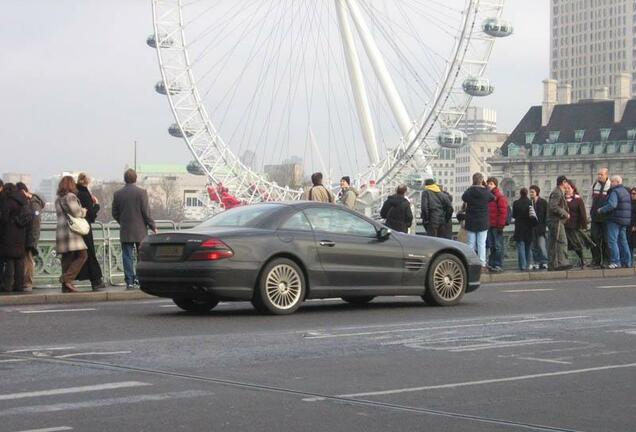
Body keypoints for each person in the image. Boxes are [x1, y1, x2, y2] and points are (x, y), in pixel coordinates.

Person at [112, 169, 156, 290]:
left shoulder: (117, 194)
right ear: (135, 179)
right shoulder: (142, 193)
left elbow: (114, 213)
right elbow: (146, 212)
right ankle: (139, 278)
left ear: (124, 179)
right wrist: (152, 226)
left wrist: (122, 221)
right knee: (140, 255)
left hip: (125, 230)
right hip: (140, 230)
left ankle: (129, 281)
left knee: (127, 256)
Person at [55, 176, 88, 293]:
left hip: (61, 231)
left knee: (67, 258)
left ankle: (66, 286)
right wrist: (84, 210)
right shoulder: (70, 197)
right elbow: (77, 212)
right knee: (83, 255)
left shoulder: (58, 199)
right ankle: (66, 279)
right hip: (71, 232)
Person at [75, 173, 105, 290]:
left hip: (77, 228)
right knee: (90, 254)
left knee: (79, 255)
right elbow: (91, 214)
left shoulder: (76, 193)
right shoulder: (85, 194)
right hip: (85, 227)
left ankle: (68, 280)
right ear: (86, 181)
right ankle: (96, 280)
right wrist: (96, 205)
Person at [0, 183, 31, 292]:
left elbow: (3, 218)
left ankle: (7, 285)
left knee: (9, 260)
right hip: (21, 233)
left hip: (9, 233)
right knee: (19, 261)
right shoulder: (23, 200)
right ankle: (19, 286)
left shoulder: (7, 200)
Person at [597, 175, 633, 269]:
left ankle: (615, 262)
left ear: (617, 182)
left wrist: (602, 209)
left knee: (612, 241)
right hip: (624, 220)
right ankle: (627, 261)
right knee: (623, 241)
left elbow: (612, 204)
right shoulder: (625, 191)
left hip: (614, 219)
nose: (611, 183)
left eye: (612, 182)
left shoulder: (615, 191)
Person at [461, 173, 495, 270]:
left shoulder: (470, 191)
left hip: (471, 220)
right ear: (482, 180)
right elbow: (493, 198)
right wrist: (485, 186)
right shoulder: (486, 192)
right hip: (483, 221)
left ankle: (471, 263)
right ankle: (482, 263)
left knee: (471, 243)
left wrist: (471, 187)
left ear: (473, 180)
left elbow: (464, 197)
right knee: (481, 243)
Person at [16, 183, 46, 292]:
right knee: (27, 259)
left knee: (28, 259)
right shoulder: (33, 202)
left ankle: (27, 283)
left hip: (30, 237)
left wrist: (32, 239)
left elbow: (35, 222)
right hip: (29, 236)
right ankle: (26, 282)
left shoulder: (33, 203)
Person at [564, 182, 592, 268]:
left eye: (569, 188)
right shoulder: (562, 199)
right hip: (564, 226)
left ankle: (583, 260)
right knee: (565, 245)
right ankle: (565, 262)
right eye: (565, 188)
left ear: (573, 188)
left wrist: (584, 226)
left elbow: (582, 213)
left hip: (574, 225)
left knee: (577, 244)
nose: (567, 190)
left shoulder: (578, 199)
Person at [547, 176, 572, 271]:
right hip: (556, 221)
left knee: (554, 242)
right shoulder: (557, 192)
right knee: (561, 241)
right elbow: (553, 206)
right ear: (563, 182)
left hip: (555, 221)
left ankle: (553, 264)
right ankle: (561, 263)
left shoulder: (558, 191)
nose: (568, 185)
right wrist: (565, 214)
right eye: (566, 182)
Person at [590, 168, 611, 268]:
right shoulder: (595, 185)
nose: (599, 176)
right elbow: (591, 200)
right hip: (595, 217)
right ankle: (596, 260)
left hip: (606, 218)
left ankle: (606, 260)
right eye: (598, 174)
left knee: (606, 240)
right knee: (594, 238)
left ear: (606, 175)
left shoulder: (610, 186)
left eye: (601, 174)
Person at [486, 177, 508, 272]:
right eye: (488, 184)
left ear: (495, 185)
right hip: (490, 225)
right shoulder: (488, 196)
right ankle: (492, 263)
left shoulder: (499, 196)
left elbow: (503, 212)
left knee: (497, 246)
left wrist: (500, 225)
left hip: (496, 226)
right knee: (492, 245)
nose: (489, 185)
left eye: (491, 184)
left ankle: (498, 264)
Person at [512, 188, 534, 271]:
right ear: (527, 193)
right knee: (528, 247)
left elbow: (514, 215)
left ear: (520, 194)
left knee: (521, 247)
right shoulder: (530, 203)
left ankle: (523, 266)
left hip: (519, 227)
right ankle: (528, 264)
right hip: (528, 227)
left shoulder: (516, 203)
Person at [528, 185, 548, 270]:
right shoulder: (529, 203)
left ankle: (544, 262)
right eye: (530, 192)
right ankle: (536, 262)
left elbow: (546, 215)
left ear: (537, 193)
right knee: (533, 247)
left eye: (532, 192)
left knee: (541, 245)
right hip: (532, 228)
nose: (530, 193)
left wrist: (545, 226)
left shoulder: (543, 202)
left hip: (541, 228)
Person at [630, 187, 636, 262]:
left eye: (634, 194)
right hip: (630, 226)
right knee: (631, 244)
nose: (632, 195)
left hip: (634, 226)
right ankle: (630, 261)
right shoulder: (630, 203)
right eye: (631, 194)